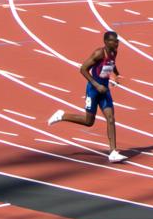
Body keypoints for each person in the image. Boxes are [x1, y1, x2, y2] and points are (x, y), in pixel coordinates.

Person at [47, 31, 127, 163]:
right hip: (93, 90)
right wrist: (96, 85)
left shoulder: (114, 52)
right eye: (114, 41)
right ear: (106, 42)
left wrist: (117, 74)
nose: (117, 43)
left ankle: (113, 152)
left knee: (111, 118)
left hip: (104, 90)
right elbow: (83, 69)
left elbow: (112, 63)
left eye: (117, 40)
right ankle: (62, 115)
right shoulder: (98, 53)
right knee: (89, 122)